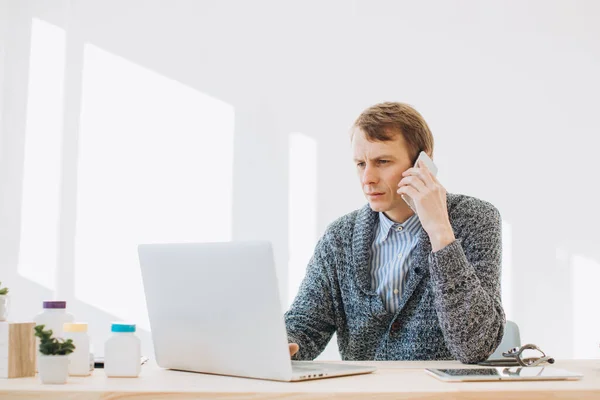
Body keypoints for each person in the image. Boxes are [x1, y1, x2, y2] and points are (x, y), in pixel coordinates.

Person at [284, 102, 505, 363]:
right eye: (360, 164)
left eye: (382, 162)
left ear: (423, 162)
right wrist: (280, 346)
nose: (367, 178)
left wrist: (439, 230)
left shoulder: (475, 219)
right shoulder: (339, 237)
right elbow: (305, 326)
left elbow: (475, 346)